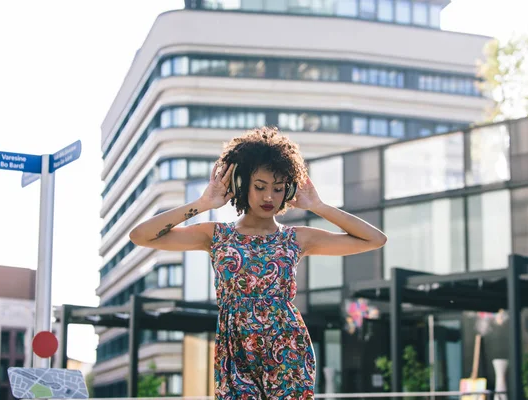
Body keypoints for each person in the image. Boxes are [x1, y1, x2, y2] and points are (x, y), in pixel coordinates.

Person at [129, 126, 387, 399]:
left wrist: (318, 206)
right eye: (260, 186)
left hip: (287, 349)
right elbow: (141, 236)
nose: (268, 197)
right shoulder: (216, 235)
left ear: (288, 190)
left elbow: (374, 239)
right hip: (235, 352)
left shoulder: (295, 239)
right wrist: (204, 203)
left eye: (277, 189)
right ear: (241, 185)